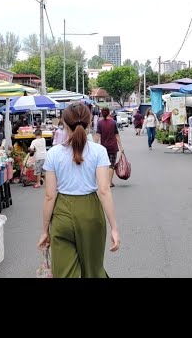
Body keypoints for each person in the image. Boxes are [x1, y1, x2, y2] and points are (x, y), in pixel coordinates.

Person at [37, 103, 120, 278]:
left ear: (64, 124)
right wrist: (114, 227)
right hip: (91, 213)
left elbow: (50, 195)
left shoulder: (53, 154)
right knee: (93, 271)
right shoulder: (99, 151)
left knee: (64, 273)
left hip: (62, 214)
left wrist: (45, 231)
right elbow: (104, 190)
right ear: (90, 123)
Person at [94, 107, 124, 187]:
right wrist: (121, 147)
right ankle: (109, 182)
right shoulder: (113, 123)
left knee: (104, 165)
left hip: (103, 148)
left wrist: (94, 146)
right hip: (113, 147)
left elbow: (97, 135)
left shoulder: (100, 123)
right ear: (109, 113)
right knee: (111, 165)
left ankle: (104, 182)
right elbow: (117, 135)